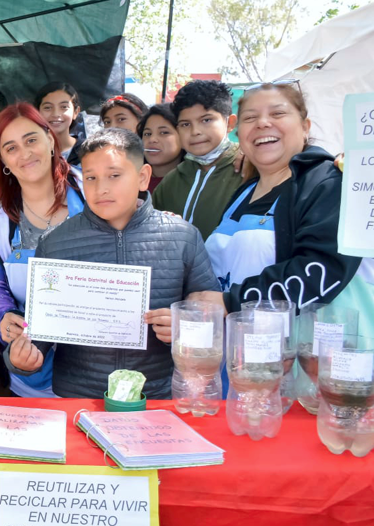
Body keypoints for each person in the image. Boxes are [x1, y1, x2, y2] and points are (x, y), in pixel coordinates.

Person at [6, 129, 221, 399]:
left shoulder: (183, 237)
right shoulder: (55, 243)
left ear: (143, 177)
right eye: (91, 178)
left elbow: (212, 318)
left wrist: (185, 327)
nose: (101, 188)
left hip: (158, 398)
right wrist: (21, 357)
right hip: (80, 399)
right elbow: (40, 332)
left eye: (114, 175)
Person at [205, 82, 373, 336]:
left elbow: (321, 268)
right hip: (242, 348)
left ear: (305, 127)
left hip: (309, 351)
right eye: (250, 117)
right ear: (239, 133)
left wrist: (233, 302)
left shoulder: (329, 182)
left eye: (278, 113)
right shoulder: (243, 192)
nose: (262, 123)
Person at [0, 103, 85, 398]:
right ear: (2, 161)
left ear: (50, 140)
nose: (24, 154)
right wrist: (3, 317)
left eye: (31, 140)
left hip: (99, 370)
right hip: (33, 376)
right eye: (11, 148)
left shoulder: (93, 192)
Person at [151, 80, 243, 240]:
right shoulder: (170, 182)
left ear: (230, 123)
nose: (195, 131)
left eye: (206, 120)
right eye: (185, 124)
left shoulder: (249, 169)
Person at [138, 104, 185, 194]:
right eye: (147, 134)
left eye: (164, 132)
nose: (152, 139)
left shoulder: (195, 181)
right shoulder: (132, 179)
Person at [35, 82, 84, 166]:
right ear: (37, 113)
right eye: (47, 107)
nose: (56, 114)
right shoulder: (32, 153)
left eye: (64, 107)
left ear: (76, 112)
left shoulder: (88, 151)